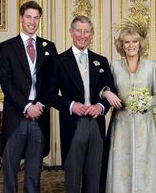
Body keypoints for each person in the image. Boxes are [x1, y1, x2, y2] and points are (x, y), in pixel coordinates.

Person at [47, 15, 116, 193]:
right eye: (78, 30)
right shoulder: (59, 61)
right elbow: (50, 95)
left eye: (87, 31)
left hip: (96, 124)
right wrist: (71, 105)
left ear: (92, 34)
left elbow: (110, 90)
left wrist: (100, 107)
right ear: (71, 32)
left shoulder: (101, 61)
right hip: (73, 125)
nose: (82, 35)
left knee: (94, 178)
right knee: (72, 179)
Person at [0, 0, 58, 193]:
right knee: (10, 171)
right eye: (28, 17)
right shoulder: (7, 46)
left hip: (39, 117)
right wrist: (26, 106)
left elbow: (52, 83)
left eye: (36, 17)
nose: (32, 21)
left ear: (40, 19)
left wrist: (39, 105)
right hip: (16, 117)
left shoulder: (49, 47)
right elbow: (7, 84)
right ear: (21, 18)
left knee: (33, 174)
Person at [102, 20, 156, 193]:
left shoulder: (151, 66)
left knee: (145, 162)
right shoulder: (114, 66)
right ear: (121, 45)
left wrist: (146, 103)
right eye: (127, 42)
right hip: (121, 123)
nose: (131, 45)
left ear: (140, 44)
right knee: (122, 163)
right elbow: (106, 89)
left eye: (134, 41)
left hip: (145, 124)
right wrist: (106, 92)